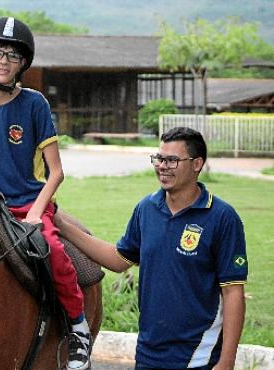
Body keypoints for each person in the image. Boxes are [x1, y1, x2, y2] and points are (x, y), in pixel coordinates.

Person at [57, 127, 248, 370]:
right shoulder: (146, 209)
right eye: (159, 158)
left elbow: (233, 293)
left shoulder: (222, 218)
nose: (162, 166)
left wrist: (227, 361)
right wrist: (62, 225)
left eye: (172, 160)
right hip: (148, 353)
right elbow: (119, 259)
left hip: (199, 356)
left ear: (197, 164)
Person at [0, 16, 92, 370]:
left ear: (23, 63)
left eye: (12, 55)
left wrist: (37, 211)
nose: (3, 61)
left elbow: (57, 172)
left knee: (53, 252)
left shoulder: (35, 104)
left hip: (33, 203)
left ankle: (78, 329)